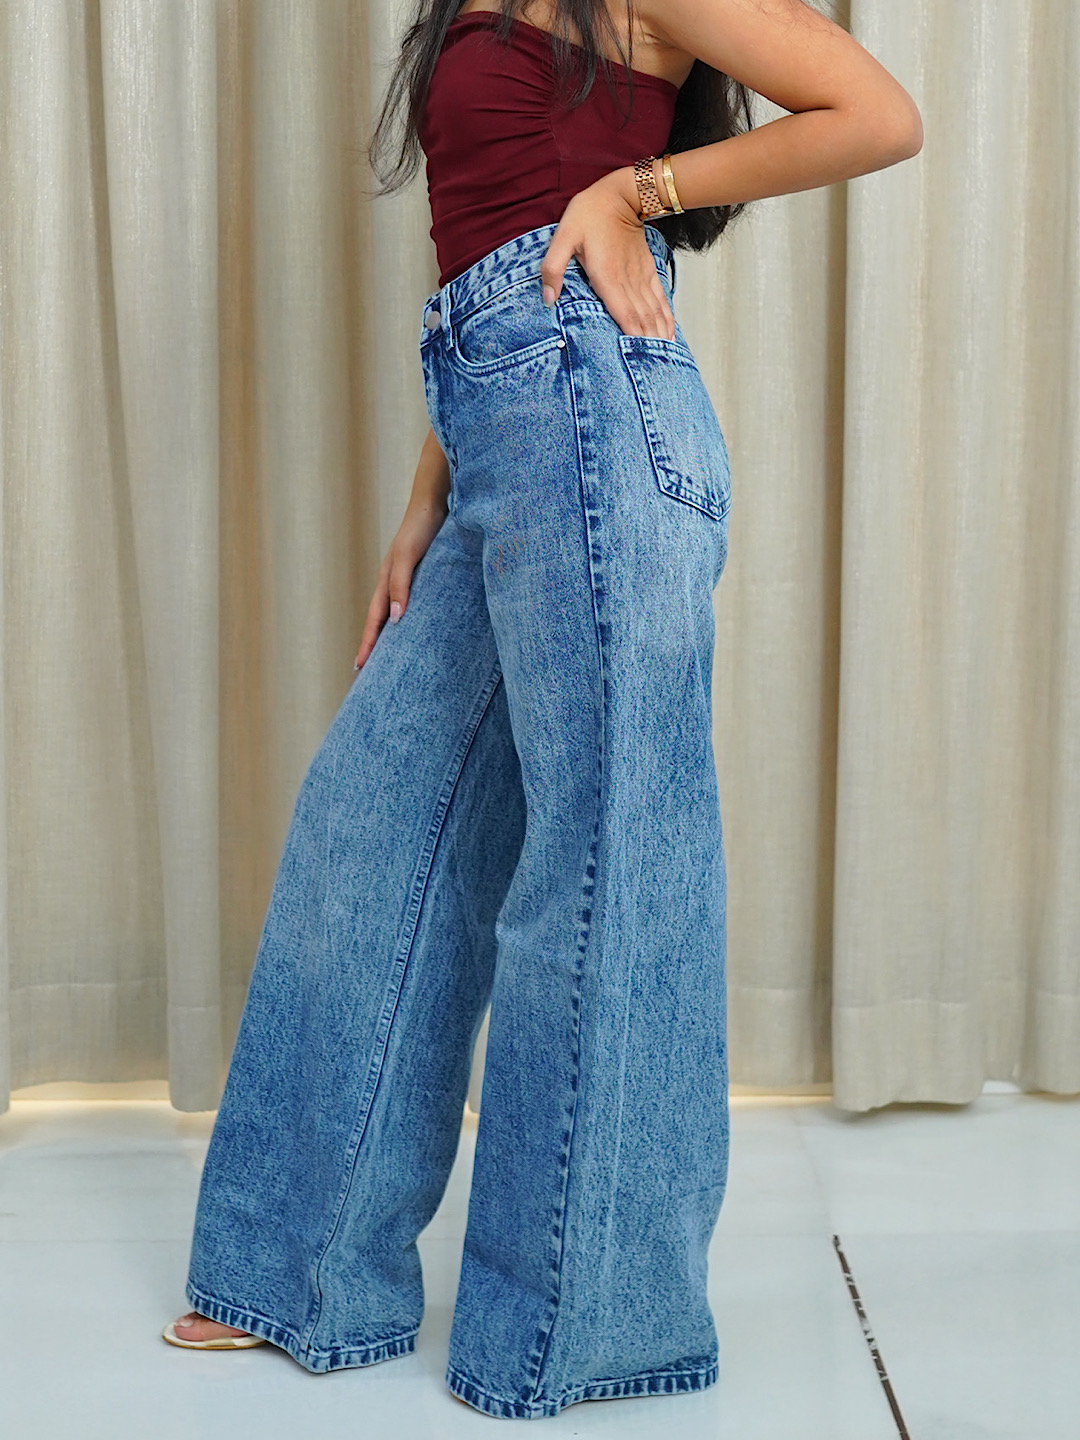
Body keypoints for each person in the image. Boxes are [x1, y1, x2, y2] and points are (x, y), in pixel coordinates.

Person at [163, 0, 921, 1420]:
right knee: (370, 830)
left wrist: (637, 192)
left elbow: (880, 115)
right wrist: (431, 489)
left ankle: (586, 1323)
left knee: (604, 865)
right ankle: (303, 1270)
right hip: (501, 430)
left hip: (597, 417)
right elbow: (493, 242)